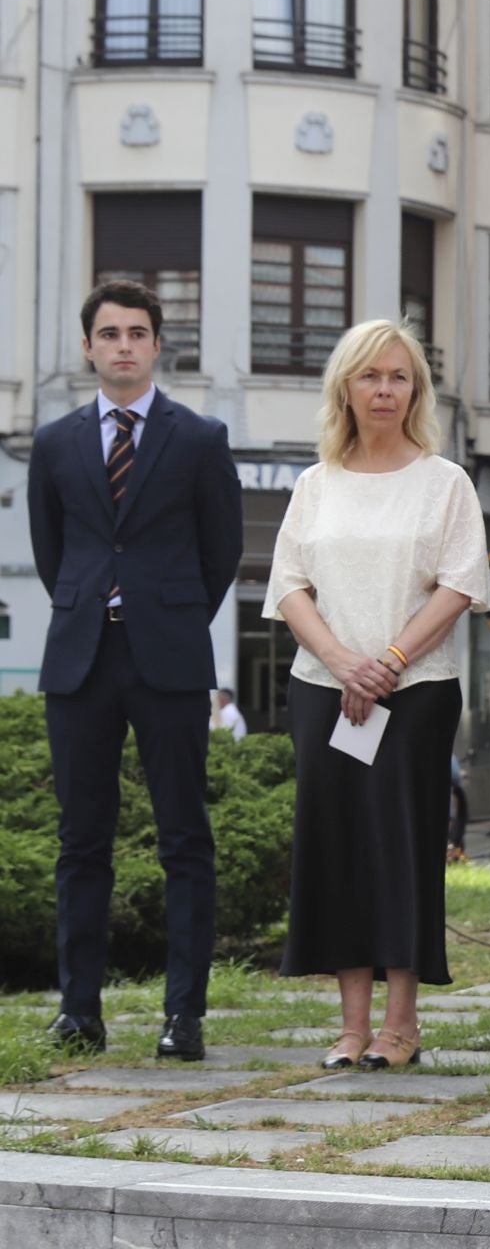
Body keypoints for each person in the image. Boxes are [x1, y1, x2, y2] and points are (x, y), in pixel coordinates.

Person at [264, 319, 490, 1072]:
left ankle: (402, 1022)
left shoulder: (444, 481)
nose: (385, 390)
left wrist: (387, 661)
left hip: (415, 693)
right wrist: (340, 661)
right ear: (347, 389)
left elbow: (461, 584)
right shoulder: (315, 483)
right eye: (371, 376)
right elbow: (290, 585)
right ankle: (351, 1025)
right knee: (337, 851)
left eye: (399, 377)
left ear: (415, 390)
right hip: (323, 692)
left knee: (402, 848)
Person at [28, 278, 243, 1060]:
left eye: (137, 332)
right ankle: (78, 1011)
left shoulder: (200, 438)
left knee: (184, 837)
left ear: (157, 345)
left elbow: (221, 551)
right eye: (109, 333)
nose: (123, 344)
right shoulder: (54, 444)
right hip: (80, 657)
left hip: (171, 655)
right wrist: (96, 605)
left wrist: (169, 608)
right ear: (89, 346)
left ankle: (183, 1015)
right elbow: (54, 554)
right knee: (82, 841)